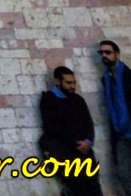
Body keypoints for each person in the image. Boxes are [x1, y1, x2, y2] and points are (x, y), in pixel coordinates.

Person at [40, 66, 100, 196]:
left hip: (84, 152)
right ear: (57, 82)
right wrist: (75, 143)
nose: (72, 86)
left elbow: (88, 123)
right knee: (76, 188)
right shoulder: (48, 100)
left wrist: (88, 142)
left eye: (74, 83)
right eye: (68, 83)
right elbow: (53, 128)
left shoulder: (78, 100)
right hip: (64, 152)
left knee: (93, 187)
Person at [100, 40, 131, 196]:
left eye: (108, 52)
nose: (104, 56)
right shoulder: (106, 80)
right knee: (123, 173)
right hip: (121, 136)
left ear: (117, 54)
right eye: (101, 53)